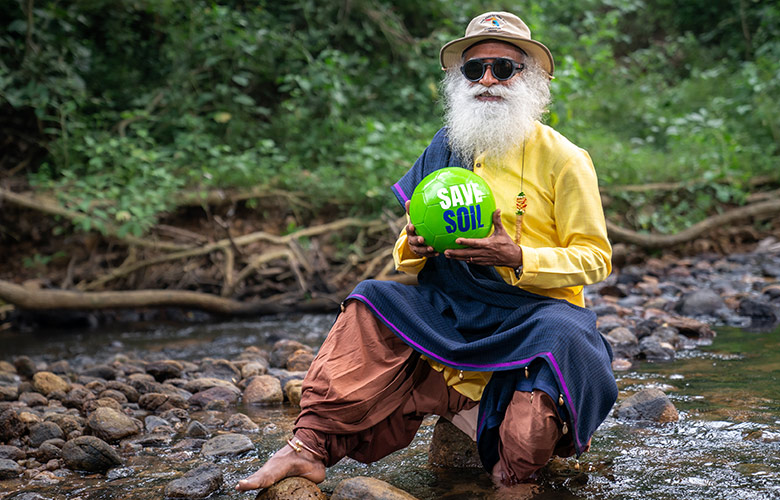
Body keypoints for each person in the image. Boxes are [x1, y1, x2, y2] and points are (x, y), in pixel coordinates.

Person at [236, 11, 617, 492]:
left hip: (532, 314)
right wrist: (413, 245)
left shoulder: (565, 158)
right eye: (473, 69)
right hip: (452, 309)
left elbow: (595, 259)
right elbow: (407, 247)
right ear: (459, 80)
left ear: (531, 78)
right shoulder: (446, 145)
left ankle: (516, 477)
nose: (487, 80)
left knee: (563, 334)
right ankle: (307, 449)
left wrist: (516, 257)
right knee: (373, 299)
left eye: (503, 68)